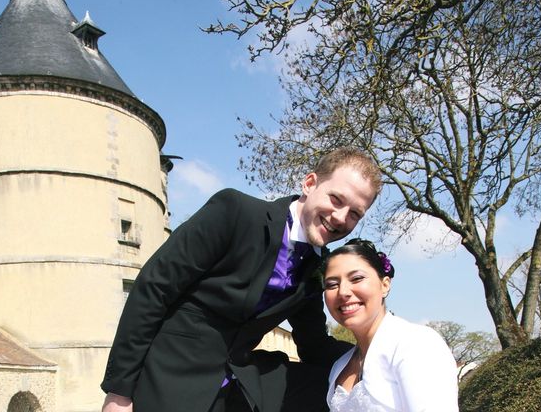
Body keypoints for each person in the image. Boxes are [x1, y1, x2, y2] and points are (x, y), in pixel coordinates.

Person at [101, 147, 382, 412]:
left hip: (241, 381)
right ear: (309, 184)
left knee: (347, 390)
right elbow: (154, 288)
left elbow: (313, 345)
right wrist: (119, 391)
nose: (341, 217)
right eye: (336, 199)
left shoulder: (318, 267)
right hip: (171, 377)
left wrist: (378, 352)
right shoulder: (235, 212)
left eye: (355, 214)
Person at [322, 239, 459, 412]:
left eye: (357, 278)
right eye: (332, 284)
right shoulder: (340, 365)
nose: (343, 292)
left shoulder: (416, 344)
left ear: (385, 284)